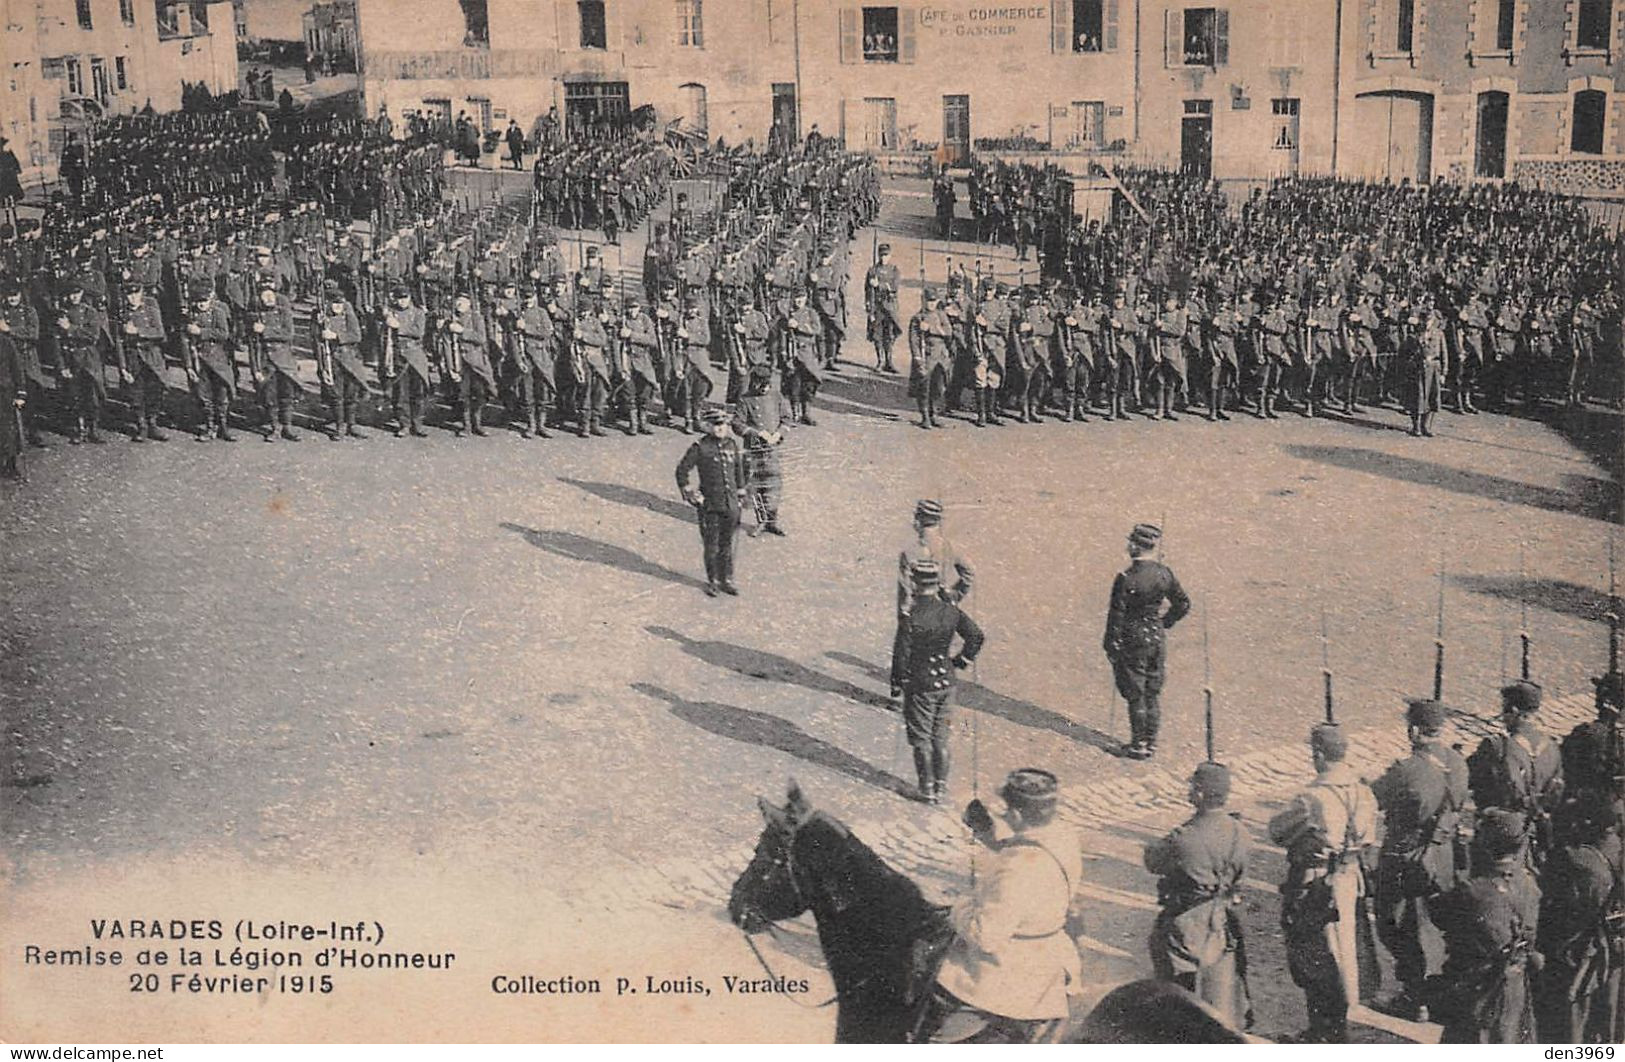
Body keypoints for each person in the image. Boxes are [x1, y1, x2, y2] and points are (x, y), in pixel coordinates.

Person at [917, 768, 1081, 1042]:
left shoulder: (1015, 870)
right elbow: (1026, 848)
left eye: (1005, 811)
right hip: (1048, 955)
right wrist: (985, 834)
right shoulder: (1064, 835)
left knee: (930, 1000)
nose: (1003, 816)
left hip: (1006, 973)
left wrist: (960, 905)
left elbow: (986, 937)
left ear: (1016, 814)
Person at [1268, 723, 1380, 1043]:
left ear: (1318, 755)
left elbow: (1276, 831)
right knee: (1346, 953)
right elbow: (1369, 837)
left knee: (1315, 955)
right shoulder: (1364, 792)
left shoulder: (1311, 798)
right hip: (1351, 880)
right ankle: (1335, 1026)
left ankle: (1323, 1033)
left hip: (1317, 882)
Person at [1370, 697, 1469, 1021]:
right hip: (1442, 856)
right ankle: (1432, 992)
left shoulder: (1407, 769)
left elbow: (1377, 795)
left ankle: (1415, 997)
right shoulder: (1457, 762)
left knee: (1395, 925)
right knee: (1433, 925)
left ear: (1413, 731)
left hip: (1405, 857)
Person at [1143, 761, 1253, 1030]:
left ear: (1202, 794)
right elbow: (1240, 873)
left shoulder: (1184, 837)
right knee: (1220, 985)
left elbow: (1153, 861)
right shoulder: (1240, 831)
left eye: (1193, 786)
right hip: (1222, 919)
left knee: (1178, 987)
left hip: (1186, 921)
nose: (1189, 790)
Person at [1431, 808, 1541, 1043]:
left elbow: (1440, 916)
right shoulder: (1529, 884)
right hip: (1515, 985)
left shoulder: (1472, 890)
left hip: (1477, 987)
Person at [1534, 792, 1622, 1044]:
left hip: (1577, 952)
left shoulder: (1576, 860)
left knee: (1569, 1023)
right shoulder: (1617, 849)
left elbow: (1548, 903)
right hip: (1613, 951)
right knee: (1608, 1019)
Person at [895, 559, 985, 803]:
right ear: (936, 583)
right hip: (947, 682)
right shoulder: (951, 610)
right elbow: (976, 636)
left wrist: (897, 682)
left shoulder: (910, 615)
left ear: (914, 582)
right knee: (940, 738)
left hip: (920, 685)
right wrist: (962, 660)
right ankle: (941, 788)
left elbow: (901, 655)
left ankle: (925, 790)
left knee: (921, 739)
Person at [1103, 523, 1190, 760]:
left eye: (1130, 543)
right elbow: (1183, 604)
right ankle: (1151, 743)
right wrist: (1165, 622)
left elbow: (1116, 617)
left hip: (1133, 639)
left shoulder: (1126, 578)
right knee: (1152, 691)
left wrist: (1111, 645)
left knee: (1135, 693)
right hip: (1156, 637)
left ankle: (1137, 745)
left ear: (1135, 546)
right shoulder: (1165, 573)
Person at [1468, 680, 1565, 873]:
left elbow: (1471, 781)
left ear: (1512, 710)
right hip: (1539, 833)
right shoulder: (1552, 748)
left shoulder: (1496, 746)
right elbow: (1558, 790)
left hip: (1502, 837)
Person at [891, 499, 975, 700]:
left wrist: (903, 612)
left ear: (918, 521)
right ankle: (954, 668)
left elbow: (905, 588)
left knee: (903, 647)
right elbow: (969, 573)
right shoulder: (950, 547)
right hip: (943, 607)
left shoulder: (910, 552)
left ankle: (897, 691)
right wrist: (955, 595)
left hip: (919, 607)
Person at [675, 406, 746, 598]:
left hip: (730, 504)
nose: (719, 428)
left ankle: (727, 579)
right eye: (715, 425)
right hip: (710, 505)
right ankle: (713, 580)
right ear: (707, 426)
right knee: (712, 545)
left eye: (722, 424)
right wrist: (692, 495)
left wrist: (741, 493)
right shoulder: (700, 447)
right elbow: (682, 471)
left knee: (727, 544)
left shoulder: (732, 444)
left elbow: (739, 470)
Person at [250, 277, 305, 441]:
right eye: (264, 294)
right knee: (269, 396)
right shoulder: (255, 317)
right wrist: (255, 369)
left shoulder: (283, 312)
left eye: (270, 294)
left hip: (284, 359)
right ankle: (275, 428)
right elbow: (253, 346)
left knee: (287, 394)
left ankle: (287, 427)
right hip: (266, 361)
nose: (268, 298)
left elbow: (288, 334)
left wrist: (265, 330)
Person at [118, 282, 169, 442]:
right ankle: (141, 426)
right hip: (133, 356)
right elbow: (119, 341)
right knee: (136, 393)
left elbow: (160, 332)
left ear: (141, 293)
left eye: (136, 293)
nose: (132, 297)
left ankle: (152, 423)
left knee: (155, 390)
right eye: (129, 294)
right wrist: (122, 366)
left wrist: (138, 331)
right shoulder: (122, 314)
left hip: (152, 355)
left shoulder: (151, 310)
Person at [865, 244, 902, 374]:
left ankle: (889, 361)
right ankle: (880, 361)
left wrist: (879, 284)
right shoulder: (872, 270)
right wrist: (870, 310)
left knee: (890, 334)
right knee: (877, 334)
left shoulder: (894, 270)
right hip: (877, 307)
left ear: (890, 256)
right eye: (881, 255)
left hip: (890, 307)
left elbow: (894, 286)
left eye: (886, 255)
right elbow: (868, 292)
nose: (883, 258)